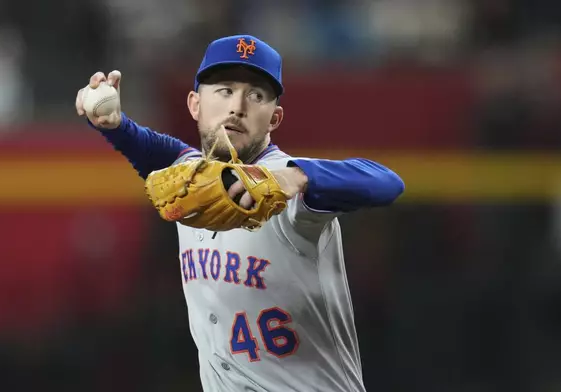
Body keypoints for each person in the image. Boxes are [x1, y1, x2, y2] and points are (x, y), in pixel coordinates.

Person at [75, 34, 404, 392]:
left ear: (274, 118)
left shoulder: (290, 186)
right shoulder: (191, 176)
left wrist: (295, 177)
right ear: (195, 104)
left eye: (257, 95)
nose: (238, 106)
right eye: (225, 90)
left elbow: (387, 182)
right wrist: (115, 126)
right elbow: (158, 151)